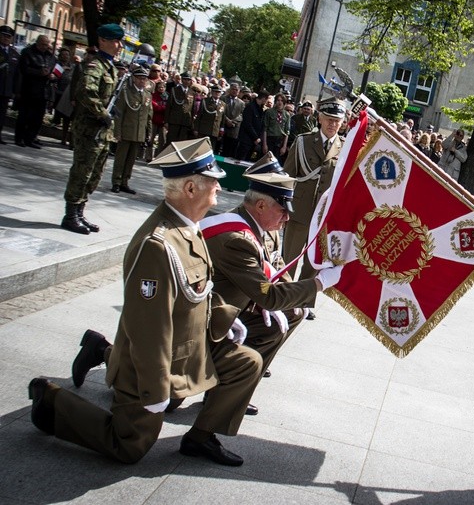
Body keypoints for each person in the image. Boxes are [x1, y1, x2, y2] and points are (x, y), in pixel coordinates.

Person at [28, 138, 262, 466]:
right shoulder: (158, 244)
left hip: (186, 349)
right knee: (128, 446)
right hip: (153, 362)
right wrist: (155, 390)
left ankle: (199, 435)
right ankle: (50, 400)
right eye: (214, 182)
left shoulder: (187, 227)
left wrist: (226, 315)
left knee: (246, 361)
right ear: (191, 187)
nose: (220, 190)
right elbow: (148, 327)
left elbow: (192, 292)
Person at [199, 152, 343, 412]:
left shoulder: (266, 228)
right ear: (261, 206)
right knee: (281, 312)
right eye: (282, 210)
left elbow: (278, 273)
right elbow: (268, 295)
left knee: (293, 313)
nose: (287, 218)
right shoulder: (237, 238)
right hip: (213, 318)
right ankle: (225, 386)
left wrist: (291, 298)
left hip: (240, 305)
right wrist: (319, 283)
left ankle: (240, 386)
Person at [61, 23, 124, 235]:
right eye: (115, 41)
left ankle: (80, 212)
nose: (119, 45)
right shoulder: (94, 65)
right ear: (102, 41)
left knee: (95, 173)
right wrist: (102, 113)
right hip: (89, 128)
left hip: (102, 131)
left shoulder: (110, 67)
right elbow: (86, 92)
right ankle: (70, 216)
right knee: (82, 171)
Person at [283, 96, 346, 281]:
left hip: (323, 219)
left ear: (342, 123)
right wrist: (282, 208)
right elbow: (287, 177)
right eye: (329, 119)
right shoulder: (303, 141)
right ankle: (279, 304)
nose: (332, 124)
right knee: (288, 262)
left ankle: (303, 307)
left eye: (337, 121)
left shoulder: (345, 149)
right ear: (319, 118)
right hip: (299, 212)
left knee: (313, 267)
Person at [110, 66, 152, 195]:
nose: (142, 81)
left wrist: (148, 133)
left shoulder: (147, 94)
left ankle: (125, 182)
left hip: (139, 133)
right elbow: (119, 114)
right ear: (133, 78)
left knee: (131, 160)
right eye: (139, 78)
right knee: (121, 158)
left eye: (144, 79)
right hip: (126, 131)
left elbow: (149, 116)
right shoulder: (126, 92)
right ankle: (116, 182)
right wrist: (117, 132)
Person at [15, 34, 54, 148]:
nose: (44, 47)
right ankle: (19, 138)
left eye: (46, 45)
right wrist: (38, 72)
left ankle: (30, 138)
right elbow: (24, 69)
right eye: (42, 44)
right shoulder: (28, 52)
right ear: (37, 42)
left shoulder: (49, 56)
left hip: (43, 91)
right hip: (29, 89)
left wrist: (51, 75)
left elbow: (53, 67)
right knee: (24, 115)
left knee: (37, 117)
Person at [235, 90, 268, 161]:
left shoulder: (260, 109)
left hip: (253, 142)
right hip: (246, 140)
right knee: (240, 160)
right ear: (264, 98)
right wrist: (255, 138)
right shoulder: (250, 107)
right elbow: (247, 124)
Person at [164, 71, 194, 146]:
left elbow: (192, 109)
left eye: (188, 80)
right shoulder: (174, 90)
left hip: (185, 122)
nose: (186, 81)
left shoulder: (192, 93)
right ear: (182, 79)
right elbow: (169, 106)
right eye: (185, 79)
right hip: (174, 120)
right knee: (170, 142)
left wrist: (191, 122)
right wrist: (166, 121)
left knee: (180, 143)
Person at [262, 92, 291, 164]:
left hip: (280, 141)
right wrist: (264, 144)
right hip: (270, 139)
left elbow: (287, 132)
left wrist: (284, 146)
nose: (279, 102)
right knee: (267, 161)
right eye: (278, 100)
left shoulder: (286, 114)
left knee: (276, 162)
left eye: (281, 100)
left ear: (284, 102)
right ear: (275, 101)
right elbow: (265, 129)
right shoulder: (269, 112)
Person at [144, 80, 167, 162]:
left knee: (162, 141)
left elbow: (168, 108)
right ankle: (148, 156)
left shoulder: (167, 96)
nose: (161, 89)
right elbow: (155, 106)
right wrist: (163, 107)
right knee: (151, 139)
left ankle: (159, 157)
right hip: (153, 120)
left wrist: (162, 107)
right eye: (159, 87)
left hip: (163, 122)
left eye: (163, 87)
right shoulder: (153, 95)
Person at [220, 83, 245, 157]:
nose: (234, 91)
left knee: (230, 150)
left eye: (236, 90)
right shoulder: (223, 98)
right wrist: (227, 120)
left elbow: (242, 114)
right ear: (230, 90)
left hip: (234, 129)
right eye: (233, 89)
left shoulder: (241, 103)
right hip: (223, 126)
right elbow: (220, 111)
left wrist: (233, 121)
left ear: (239, 91)